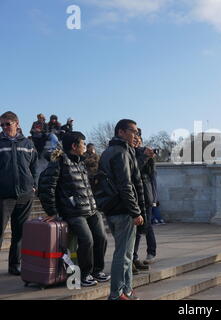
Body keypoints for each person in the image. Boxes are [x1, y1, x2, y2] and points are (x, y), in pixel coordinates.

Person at [38, 131, 109, 287]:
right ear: (74, 146)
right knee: (87, 240)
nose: (85, 146)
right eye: (83, 144)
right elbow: (46, 187)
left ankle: (97, 270)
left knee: (102, 238)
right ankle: (84, 274)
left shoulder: (81, 162)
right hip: (73, 212)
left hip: (90, 209)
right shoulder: (59, 161)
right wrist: (52, 212)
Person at [96, 119, 145, 300]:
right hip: (122, 209)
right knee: (124, 254)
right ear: (121, 132)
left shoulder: (109, 151)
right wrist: (135, 211)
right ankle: (117, 294)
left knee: (124, 253)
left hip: (113, 208)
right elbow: (126, 185)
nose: (136, 135)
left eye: (137, 131)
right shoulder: (121, 152)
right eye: (133, 131)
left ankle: (127, 290)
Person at [0, 111, 38, 276]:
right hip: (3, 195)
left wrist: (34, 185)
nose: (4, 127)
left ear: (17, 123)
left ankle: (14, 266)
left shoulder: (28, 143)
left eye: (7, 124)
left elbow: (35, 167)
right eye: (2, 125)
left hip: (25, 194)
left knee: (19, 233)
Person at [132, 130, 158, 271]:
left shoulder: (145, 154)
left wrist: (154, 197)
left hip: (145, 194)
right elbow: (132, 171)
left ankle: (151, 252)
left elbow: (152, 177)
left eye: (138, 138)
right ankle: (134, 256)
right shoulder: (128, 152)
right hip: (133, 195)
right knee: (138, 227)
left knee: (146, 225)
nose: (136, 140)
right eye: (134, 137)